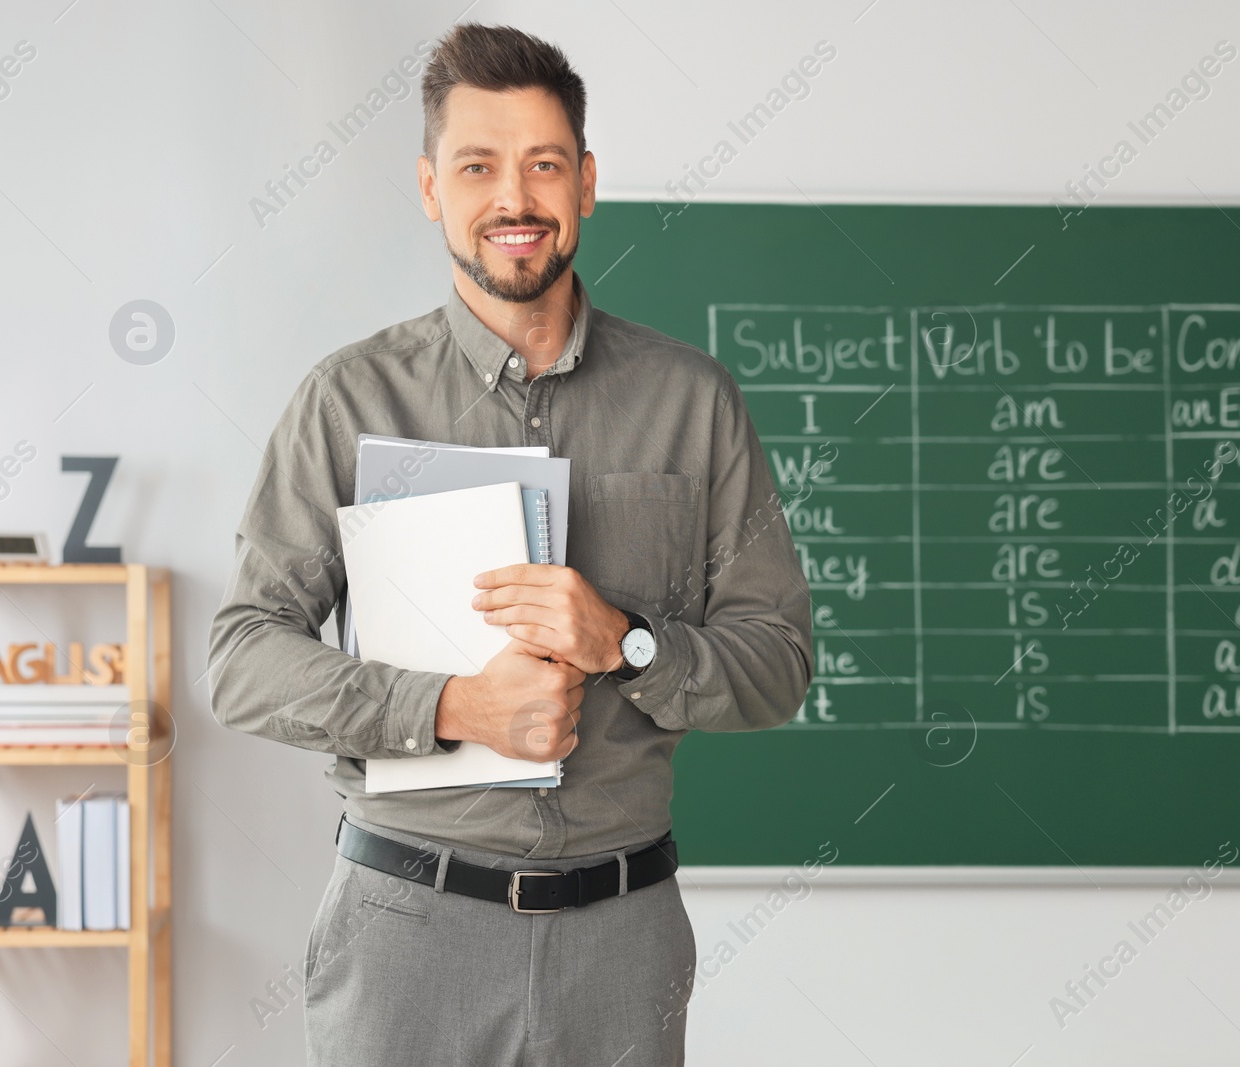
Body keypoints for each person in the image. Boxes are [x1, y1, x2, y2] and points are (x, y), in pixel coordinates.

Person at [206, 21, 812, 1066]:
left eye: (542, 165)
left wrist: (625, 639)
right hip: (403, 929)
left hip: (623, 938)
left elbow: (779, 664)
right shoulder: (346, 399)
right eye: (477, 166)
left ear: (584, 182)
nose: (514, 200)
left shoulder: (693, 401)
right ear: (431, 187)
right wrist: (448, 705)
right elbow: (242, 656)